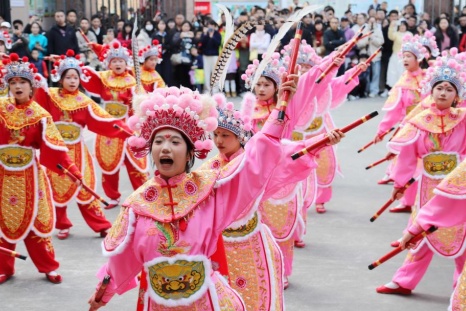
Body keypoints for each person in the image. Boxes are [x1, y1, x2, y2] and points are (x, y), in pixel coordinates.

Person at [87, 60, 317, 310]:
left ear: (189, 154)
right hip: (157, 300)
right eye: (159, 142)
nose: (165, 147)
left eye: (175, 142)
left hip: (207, 300)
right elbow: (122, 258)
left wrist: (280, 111)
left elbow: (254, 161)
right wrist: (102, 294)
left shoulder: (210, 192)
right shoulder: (137, 206)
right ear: (150, 150)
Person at [200, 92, 344, 310]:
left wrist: (322, 141)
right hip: (219, 245)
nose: (219, 141)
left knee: (256, 295)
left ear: (239, 138)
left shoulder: (250, 161)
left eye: (225, 135)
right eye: (216, 135)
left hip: (250, 240)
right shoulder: (210, 167)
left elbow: (288, 152)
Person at [376, 49, 466, 295]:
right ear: (431, 90)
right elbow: (407, 156)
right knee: (423, 232)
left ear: (457, 94)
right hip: (427, 186)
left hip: (458, 187)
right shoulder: (420, 120)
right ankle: (404, 280)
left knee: (461, 235)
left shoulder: (464, 119)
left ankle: (461, 287)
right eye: (440, 88)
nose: (443, 93)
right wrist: (400, 183)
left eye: (449, 89)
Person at [0, 53, 82, 284]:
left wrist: (72, 171)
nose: (18, 86)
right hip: (2, 174)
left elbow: (55, 147)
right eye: (13, 82)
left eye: (22, 82)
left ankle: (48, 266)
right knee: (4, 221)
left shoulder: (40, 115)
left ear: (31, 86)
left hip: (30, 176)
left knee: (37, 221)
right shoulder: (0, 108)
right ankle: (4, 267)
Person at [34, 49, 134, 240]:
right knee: (58, 189)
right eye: (68, 77)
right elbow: (36, 99)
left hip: (78, 151)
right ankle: (62, 224)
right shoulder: (51, 96)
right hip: (57, 150)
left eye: (76, 77)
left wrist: (128, 133)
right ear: (60, 79)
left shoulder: (85, 101)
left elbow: (104, 120)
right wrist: (37, 79)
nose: (72, 81)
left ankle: (101, 225)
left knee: (85, 188)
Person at [85, 41, 149, 209]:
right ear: (109, 63)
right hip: (108, 127)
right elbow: (85, 77)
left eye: (120, 60)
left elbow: (140, 104)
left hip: (128, 126)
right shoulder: (104, 78)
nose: (118, 63)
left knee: (135, 164)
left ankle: (142, 194)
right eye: (114, 61)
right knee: (109, 165)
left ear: (125, 62)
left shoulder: (133, 80)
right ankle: (113, 196)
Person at [373, 34, 426, 190]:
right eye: (403, 56)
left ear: (419, 59)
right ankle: (403, 190)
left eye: (409, 56)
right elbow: (394, 110)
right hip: (409, 125)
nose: (405, 59)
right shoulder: (403, 81)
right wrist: (382, 130)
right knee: (405, 158)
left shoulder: (428, 78)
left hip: (427, 126)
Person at [200, 19, 221, 94]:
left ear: (215, 26)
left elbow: (218, 44)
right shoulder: (204, 34)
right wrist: (206, 35)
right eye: (209, 25)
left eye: (212, 25)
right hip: (206, 56)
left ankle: (215, 90)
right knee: (207, 73)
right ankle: (207, 90)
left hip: (214, 55)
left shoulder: (217, 34)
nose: (210, 27)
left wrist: (212, 37)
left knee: (215, 73)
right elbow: (202, 43)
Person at [153, 19, 174, 87]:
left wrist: (163, 46)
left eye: (163, 24)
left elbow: (171, 45)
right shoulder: (155, 34)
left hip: (166, 56)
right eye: (160, 24)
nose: (162, 26)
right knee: (158, 72)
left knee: (167, 73)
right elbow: (153, 44)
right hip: (157, 57)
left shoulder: (168, 34)